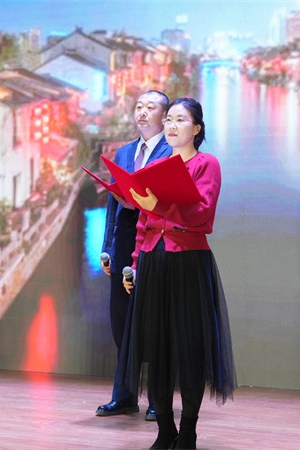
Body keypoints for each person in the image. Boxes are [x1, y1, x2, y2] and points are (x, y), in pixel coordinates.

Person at [121, 97, 236, 449]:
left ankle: (188, 432)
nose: (171, 125)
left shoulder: (206, 164)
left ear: (196, 128)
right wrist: (135, 264)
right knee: (157, 349)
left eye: (181, 120)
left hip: (188, 260)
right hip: (153, 260)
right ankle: (164, 430)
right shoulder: (157, 165)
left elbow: (202, 214)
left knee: (189, 349)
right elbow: (143, 222)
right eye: (169, 119)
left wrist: (160, 205)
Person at [96, 90, 172, 421]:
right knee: (122, 324)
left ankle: (158, 398)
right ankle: (125, 396)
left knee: (154, 324)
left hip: (156, 242)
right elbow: (112, 203)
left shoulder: (172, 151)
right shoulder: (125, 152)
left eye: (150, 107)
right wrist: (106, 245)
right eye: (139, 106)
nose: (142, 112)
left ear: (164, 117)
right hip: (124, 241)